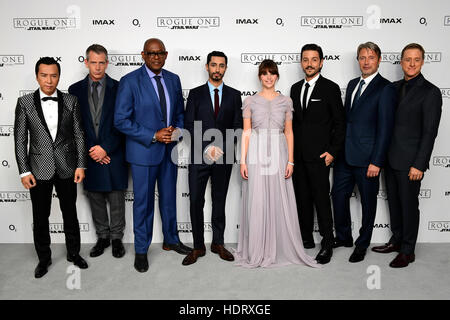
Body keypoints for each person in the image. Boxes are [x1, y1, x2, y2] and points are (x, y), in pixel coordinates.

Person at [234, 59, 320, 269]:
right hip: (256, 152)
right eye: (264, 73)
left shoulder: (286, 101)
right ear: (259, 77)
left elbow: (289, 132)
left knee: (279, 198)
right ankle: (257, 249)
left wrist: (291, 160)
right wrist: (243, 160)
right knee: (257, 199)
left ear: (277, 76)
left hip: (280, 153)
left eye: (272, 73)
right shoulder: (250, 101)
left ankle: (279, 246)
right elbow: (246, 132)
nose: (269, 77)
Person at [114, 38, 191, 273]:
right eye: (151, 53)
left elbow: (180, 114)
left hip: (169, 152)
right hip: (143, 152)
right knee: (143, 204)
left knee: (169, 199)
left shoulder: (173, 79)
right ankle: (141, 250)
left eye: (160, 53)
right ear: (143, 55)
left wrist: (176, 132)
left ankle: (171, 239)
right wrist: (153, 135)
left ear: (166, 55)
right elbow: (120, 120)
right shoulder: (129, 82)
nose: (156, 57)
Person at [14, 57, 88, 278]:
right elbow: (19, 140)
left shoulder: (71, 100)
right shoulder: (25, 102)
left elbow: (79, 135)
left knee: (70, 214)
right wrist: (24, 170)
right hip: (38, 168)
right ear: (37, 76)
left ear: (59, 76)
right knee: (40, 217)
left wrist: (81, 165)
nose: (49, 80)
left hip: (67, 166)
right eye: (44, 75)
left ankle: (74, 254)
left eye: (53, 75)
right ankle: (43, 259)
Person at [372, 43, 442, 268]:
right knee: (394, 203)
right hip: (391, 159)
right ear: (401, 61)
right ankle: (397, 240)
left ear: (422, 62)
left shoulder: (430, 92)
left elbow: (430, 132)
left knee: (409, 205)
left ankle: (408, 250)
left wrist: (419, 164)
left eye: (416, 59)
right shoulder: (392, 88)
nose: (411, 64)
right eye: (407, 59)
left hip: (411, 162)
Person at [331, 42, 396, 263]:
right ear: (357, 60)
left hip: (369, 159)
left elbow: (385, 128)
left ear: (379, 59)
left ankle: (362, 244)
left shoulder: (386, 88)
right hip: (345, 156)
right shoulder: (351, 84)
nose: (366, 61)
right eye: (362, 57)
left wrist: (377, 161)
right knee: (338, 196)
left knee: (368, 202)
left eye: (370, 57)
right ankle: (343, 237)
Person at [182, 51, 243, 265]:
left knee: (219, 201)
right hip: (199, 157)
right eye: (214, 65)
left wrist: (221, 148)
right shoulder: (195, 94)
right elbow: (189, 125)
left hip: (224, 159)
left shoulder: (235, 95)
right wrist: (208, 149)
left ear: (226, 68)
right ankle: (198, 246)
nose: (217, 69)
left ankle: (218, 243)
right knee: (196, 201)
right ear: (207, 67)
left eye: (221, 65)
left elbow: (238, 127)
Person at [69, 44, 128, 259]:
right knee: (94, 196)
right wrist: (92, 151)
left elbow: (123, 122)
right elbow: (74, 126)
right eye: (93, 62)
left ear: (107, 62)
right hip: (89, 153)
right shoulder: (74, 90)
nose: (97, 67)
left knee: (116, 197)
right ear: (86, 62)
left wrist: (106, 148)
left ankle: (117, 238)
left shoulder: (120, 87)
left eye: (102, 62)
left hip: (113, 151)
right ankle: (102, 237)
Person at [290, 44, 345, 264]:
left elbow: (340, 124)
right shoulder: (294, 88)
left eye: (314, 59)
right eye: (305, 59)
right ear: (301, 62)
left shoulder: (330, 88)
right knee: (302, 201)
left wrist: (332, 151)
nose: (309, 63)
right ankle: (305, 240)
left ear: (321, 62)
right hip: (299, 158)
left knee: (322, 201)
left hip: (321, 157)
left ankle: (327, 243)